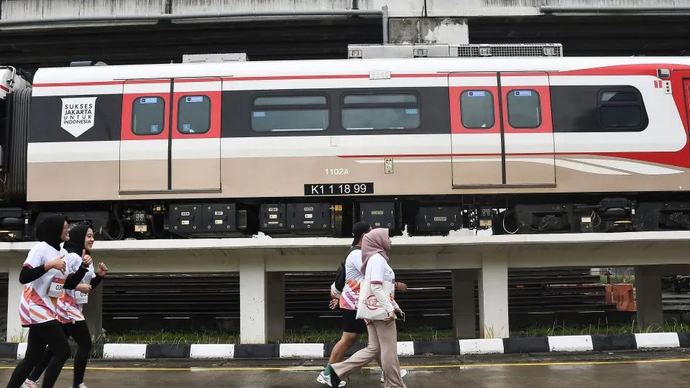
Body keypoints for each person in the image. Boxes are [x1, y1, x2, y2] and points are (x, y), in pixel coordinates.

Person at [318, 222, 408, 387]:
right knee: (358, 341)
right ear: (366, 236)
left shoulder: (369, 256)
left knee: (375, 347)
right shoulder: (365, 256)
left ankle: (336, 372)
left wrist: (393, 304)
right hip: (364, 304)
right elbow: (375, 283)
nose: (390, 240)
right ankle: (329, 372)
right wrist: (391, 306)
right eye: (386, 237)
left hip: (367, 304)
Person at [23, 224, 108, 388]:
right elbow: (62, 282)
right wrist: (78, 286)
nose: (92, 239)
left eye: (92, 236)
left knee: (54, 349)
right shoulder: (72, 257)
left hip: (74, 307)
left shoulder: (85, 258)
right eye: (88, 236)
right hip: (66, 307)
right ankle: (77, 384)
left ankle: (31, 379)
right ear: (79, 237)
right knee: (84, 344)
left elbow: (87, 285)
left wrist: (99, 276)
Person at [5, 215, 72, 388]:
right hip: (34, 307)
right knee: (63, 350)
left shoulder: (63, 253)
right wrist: (49, 265)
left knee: (32, 358)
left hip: (48, 309)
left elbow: (69, 283)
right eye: (65, 227)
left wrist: (87, 269)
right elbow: (24, 276)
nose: (68, 230)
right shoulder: (40, 249)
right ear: (56, 230)